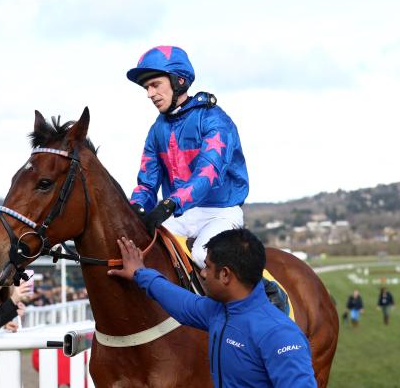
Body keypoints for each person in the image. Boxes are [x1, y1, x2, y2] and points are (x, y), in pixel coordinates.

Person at [126, 45, 288, 313]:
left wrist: (168, 205)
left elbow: (208, 173)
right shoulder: (156, 131)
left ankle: (267, 296)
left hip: (220, 212)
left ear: (179, 81)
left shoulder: (214, 119)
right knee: (143, 248)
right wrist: (136, 209)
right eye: (147, 88)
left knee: (204, 254)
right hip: (180, 213)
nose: (150, 94)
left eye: (155, 85)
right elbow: (146, 183)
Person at [108, 229, 316, 387]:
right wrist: (139, 273)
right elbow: (181, 302)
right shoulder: (218, 311)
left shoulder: (279, 333)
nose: (203, 274)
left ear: (225, 275)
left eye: (207, 266)